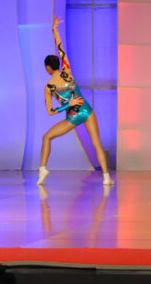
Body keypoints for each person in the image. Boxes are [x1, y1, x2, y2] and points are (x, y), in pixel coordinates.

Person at [37, 16, 113, 186]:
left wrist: (67, 105)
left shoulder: (49, 87)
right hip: (86, 110)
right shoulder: (67, 70)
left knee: (47, 137)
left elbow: (50, 112)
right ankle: (106, 177)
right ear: (58, 64)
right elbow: (60, 48)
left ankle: (43, 169)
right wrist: (55, 29)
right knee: (97, 144)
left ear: (47, 68)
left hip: (73, 116)